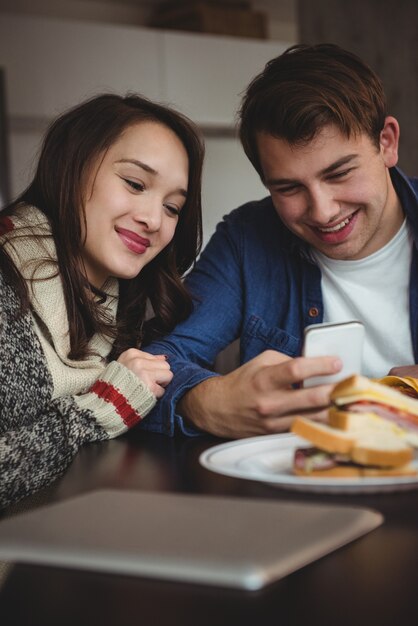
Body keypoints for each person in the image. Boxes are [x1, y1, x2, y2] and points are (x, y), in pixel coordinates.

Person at [142, 43, 418, 440]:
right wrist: (205, 400)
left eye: (339, 173)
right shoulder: (247, 238)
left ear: (386, 143)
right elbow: (155, 361)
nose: (323, 211)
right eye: (288, 187)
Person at [0, 93, 204, 508]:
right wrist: (97, 411)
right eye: (134, 184)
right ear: (72, 165)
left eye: (172, 207)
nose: (153, 220)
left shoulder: (123, 300)